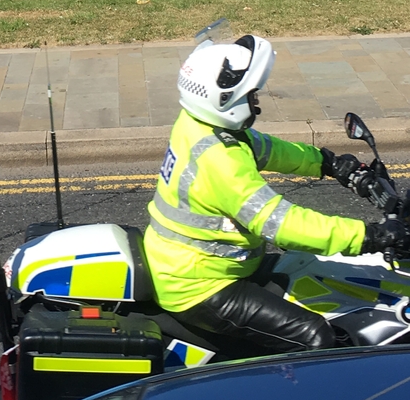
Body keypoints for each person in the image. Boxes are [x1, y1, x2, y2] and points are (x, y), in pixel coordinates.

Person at [144, 34, 410, 354]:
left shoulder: (199, 125)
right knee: (317, 337)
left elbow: (267, 148)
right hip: (200, 287)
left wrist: (331, 164)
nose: (257, 102)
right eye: (251, 94)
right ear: (225, 100)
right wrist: (372, 236)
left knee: (315, 273)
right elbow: (283, 224)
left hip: (201, 265)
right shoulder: (220, 162)